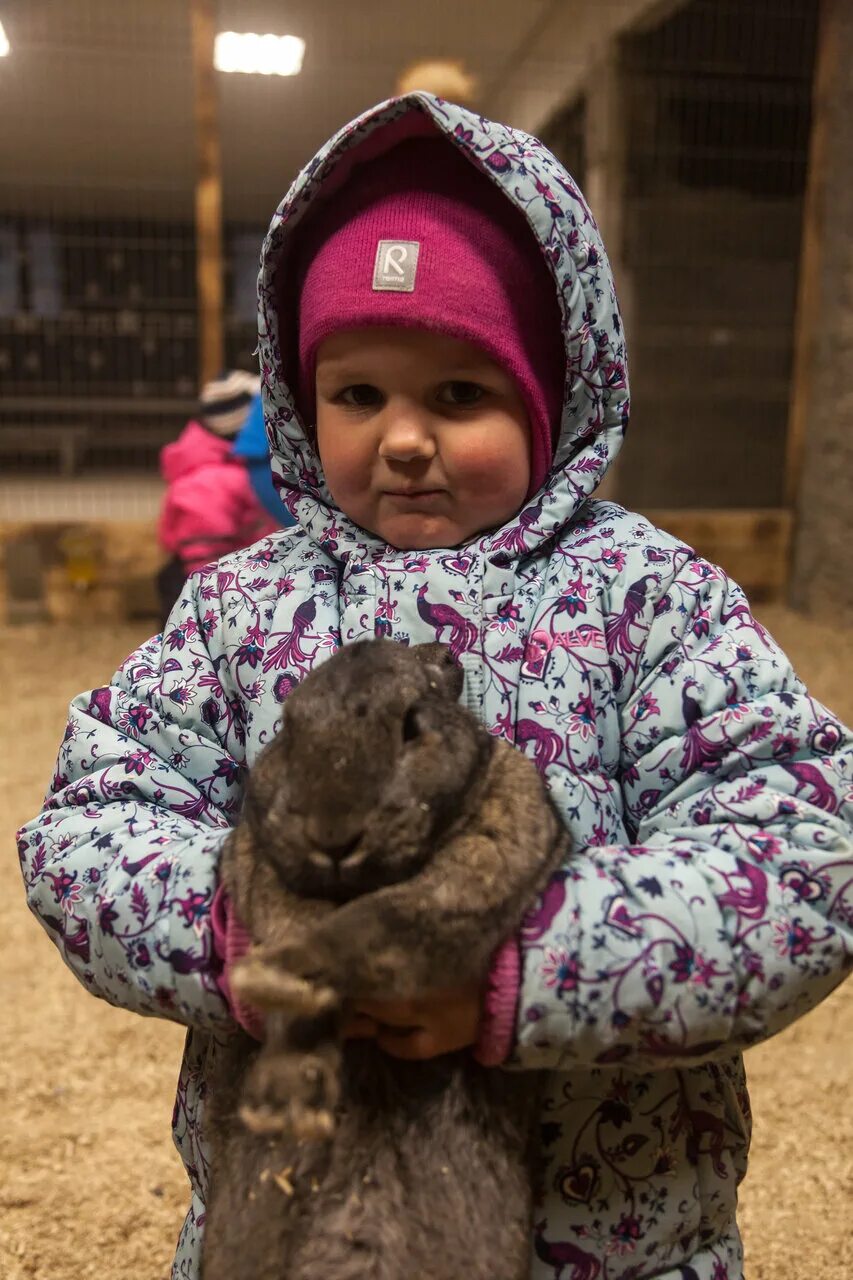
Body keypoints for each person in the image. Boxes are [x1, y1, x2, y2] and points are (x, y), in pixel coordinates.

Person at [16, 93, 852, 1280]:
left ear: (554, 396)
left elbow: (805, 847)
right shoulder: (240, 608)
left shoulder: (645, 598)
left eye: (457, 395)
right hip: (291, 1227)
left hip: (603, 1237)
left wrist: (519, 969)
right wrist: (254, 939)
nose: (402, 439)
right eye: (358, 395)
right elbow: (88, 826)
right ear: (302, 404)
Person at [156, 369, 283, 624]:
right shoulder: (210, 480)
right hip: (209, 592)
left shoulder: (238, 468)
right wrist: (213, 606)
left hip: (234, 580)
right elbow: (202, 551)